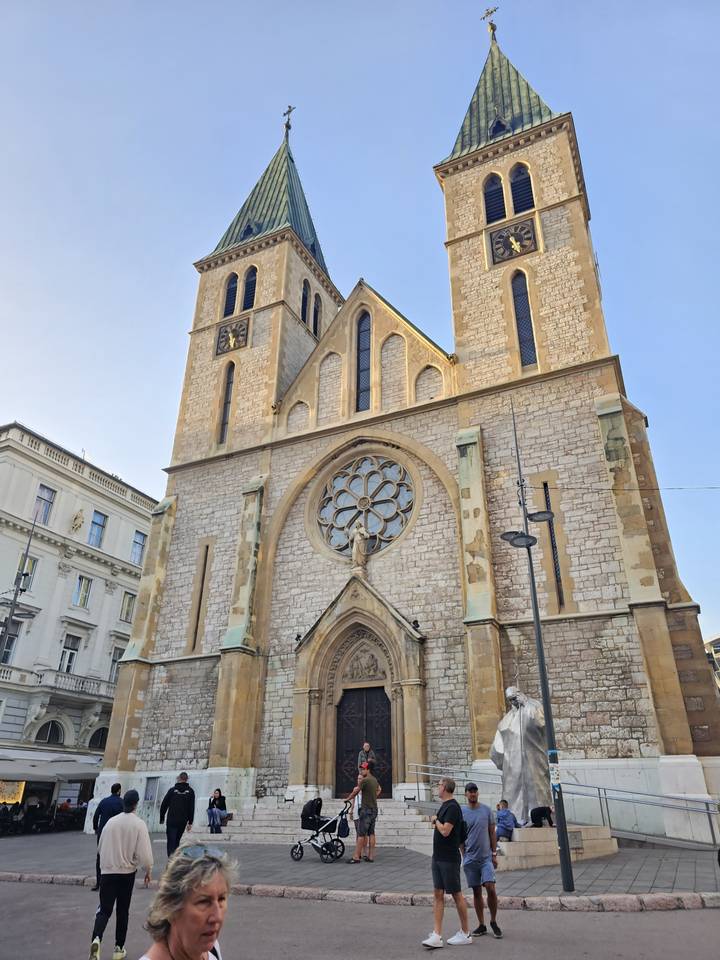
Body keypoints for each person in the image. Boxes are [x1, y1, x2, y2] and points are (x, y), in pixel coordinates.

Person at [89, 789, 153, 960]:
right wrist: (148, 870)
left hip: (108, 872)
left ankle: (96, 939)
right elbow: (145, 854)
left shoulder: (110, 822)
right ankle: (118, 948)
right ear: (136, 804)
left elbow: (100, 848)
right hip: (126, 873)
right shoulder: (138, 824)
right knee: (123, 911)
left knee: (104, 909)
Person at [139, 844, 234, 960]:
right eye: (203, 902)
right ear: (170, 906)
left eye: (221, 899)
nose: (217, 917)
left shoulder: (211, 948)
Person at [490, 686, 552, 824]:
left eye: (514, 698)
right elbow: (498, 745)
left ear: (520, 694)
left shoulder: (533, 707)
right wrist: (503, 760)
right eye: (510, 700)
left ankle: (539, 818)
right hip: (512, 766)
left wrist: (526, 704)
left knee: (536, 790)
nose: (513, 702)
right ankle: (516, 819)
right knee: (513, 793)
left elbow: (540, 722)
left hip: (533, 760)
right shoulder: (508, 717)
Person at [422, 777, 471, 948]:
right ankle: (437, 934)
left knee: (457, 894)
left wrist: (436, 820)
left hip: (449, 858)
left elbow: (445, 831)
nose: (437, 788)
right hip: (438, 856)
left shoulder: (452, 807)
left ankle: (465, 932)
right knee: (438, 893)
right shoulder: (445, 806)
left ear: (445, 788)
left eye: (439, 785)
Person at [462, 783, 502, 939]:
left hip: (486, 858)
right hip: (470, 859)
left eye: (474, 792)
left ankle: (493, 921)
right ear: (465, 794)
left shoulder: (486, 810)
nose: (472, 794)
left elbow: (492, 833)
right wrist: (463, 855)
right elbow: (460, 836)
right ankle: (481, 924)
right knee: (476, 891)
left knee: (491, 887)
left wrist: (494, 854)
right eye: (470, 792)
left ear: (478, 793)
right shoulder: (462, 812)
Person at [345, 760, 381, 863]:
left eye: (363, 769)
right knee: (371, 833)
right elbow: (379, 790)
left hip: (366, 810)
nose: (361, 770)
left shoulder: (365, 780)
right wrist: (374, 796)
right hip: (374, 809)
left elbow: (356, 791)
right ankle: (370, 856)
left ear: (368, 769)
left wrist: (347, 799)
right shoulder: (374, 780)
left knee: (361, 834)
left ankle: (356, 856)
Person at [92, 783, 124, 890]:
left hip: (103, 833)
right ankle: (113, 882)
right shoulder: (121, 802)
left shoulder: (104, 801)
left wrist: (95, 828)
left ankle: (98, 882)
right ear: (119, 791)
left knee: (100, 857)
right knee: (115, 856)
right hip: (116, 833)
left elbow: (96, 816)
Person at [159, 772, 195, 857]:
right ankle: (175, 860)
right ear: (187, 779)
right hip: (182, 821)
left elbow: (164, 804)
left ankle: (171, 861)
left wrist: (162, 817)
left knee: (171, 841)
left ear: (179, 778)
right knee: (177, 841)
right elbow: (191, 807)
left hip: (171, 820)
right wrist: (190, 822)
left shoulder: (172, 790)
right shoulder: (190, 792)